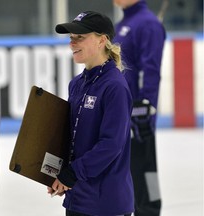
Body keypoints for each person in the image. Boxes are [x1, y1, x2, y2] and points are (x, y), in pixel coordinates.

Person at [48, 11, 134, 216]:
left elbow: (111, 145)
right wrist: (61, 176)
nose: (72, 43)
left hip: (106, 204)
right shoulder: (76, 84)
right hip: (77, 200)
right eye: (71, 38)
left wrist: (73, 174)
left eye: (80, 37)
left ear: (102, 40)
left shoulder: (115, 87)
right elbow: (72, 139)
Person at [112, 1, 166, 216]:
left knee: (147, 174)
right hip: (119, 117)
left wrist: (145, 108)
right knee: (126, 178)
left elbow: (151, 70)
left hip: (137, 118)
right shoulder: (121, 24)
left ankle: (151, 210)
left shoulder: (148, 24)